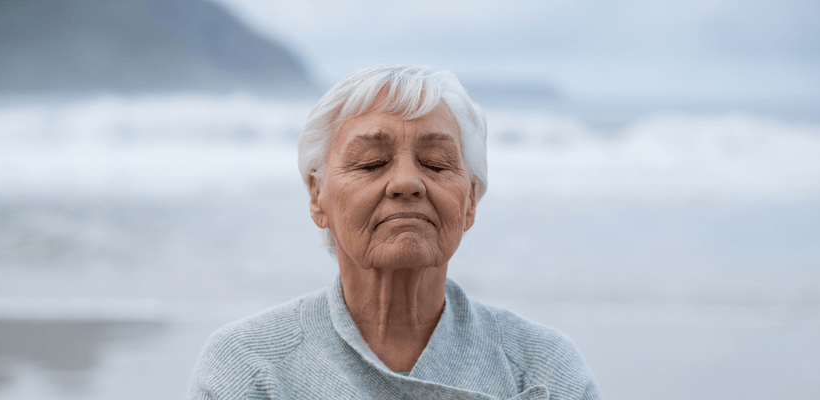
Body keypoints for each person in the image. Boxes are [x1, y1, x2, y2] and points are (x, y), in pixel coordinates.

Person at [187, 64, 602, 399]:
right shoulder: (247, 365)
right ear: (317, 196)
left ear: (470, 201)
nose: (407, 182)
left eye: (436, 163)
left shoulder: (544, 367)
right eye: (371, 163)